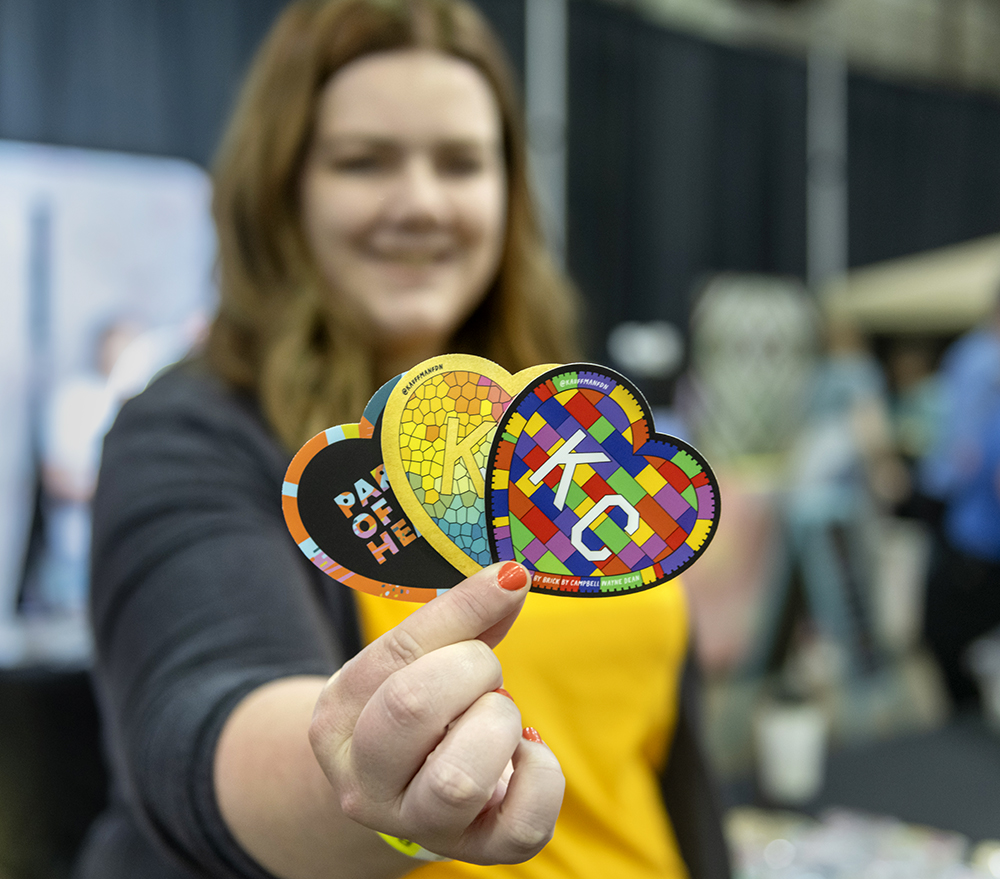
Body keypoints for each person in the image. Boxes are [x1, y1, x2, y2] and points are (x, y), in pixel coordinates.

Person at [74, 2, 730, 878]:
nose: (419, 203)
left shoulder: (563, 421)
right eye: (363, 161)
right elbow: (204, 712)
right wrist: (368, 775)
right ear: (284, 187)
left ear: (508, 190)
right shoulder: (192, 431)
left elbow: (661, 764)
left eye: (460, 162)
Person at [919, 292, 1000, 707]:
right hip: (974, 527)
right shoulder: (977, 359)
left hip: (975, 536)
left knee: (946, 637)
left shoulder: (977, 359)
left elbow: (958, 456)